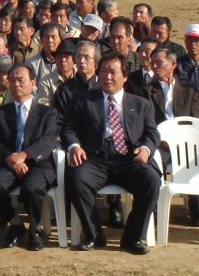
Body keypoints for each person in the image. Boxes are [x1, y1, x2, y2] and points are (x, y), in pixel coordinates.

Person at [61, 52, 161, 254]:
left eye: (113, 72)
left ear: (125, 76)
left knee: (151, 180)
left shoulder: (141, 104)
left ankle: (132, 237)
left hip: (129, 158)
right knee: (77, 179)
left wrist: (145, 149)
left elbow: (152, 133)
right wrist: (74, 146)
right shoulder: (83, 100)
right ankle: (94, 235)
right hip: (95, 159)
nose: (107, 77)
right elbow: (67, 129)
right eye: (103, 71)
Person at [0, 64, 59, 251]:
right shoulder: (0, 112)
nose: (16, 84)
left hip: (38, 163)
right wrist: (11, 158)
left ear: (33, 83)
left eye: (21, 80)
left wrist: (24, 155)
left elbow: (48, 140)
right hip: (10, 163)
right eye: (12, 80)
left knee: (32, 187)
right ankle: (15, 223)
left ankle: (34, 230)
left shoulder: (47, 112)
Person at [145, 46, 199, 224]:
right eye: (152, 63)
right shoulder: (146, 92)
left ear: (173, 64)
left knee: (195, 158)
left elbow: (195, 121)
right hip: (160, 145)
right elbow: (146, 123)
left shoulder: (189, 92)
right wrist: (160, 140)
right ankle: (155, 208)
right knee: (150, 162)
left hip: (186, 145)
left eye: (159, 62)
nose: (154, 66)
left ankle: (196, 208)